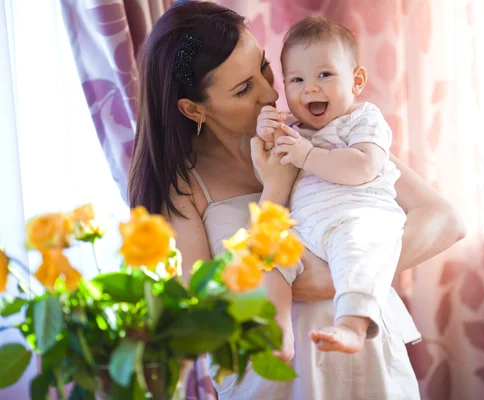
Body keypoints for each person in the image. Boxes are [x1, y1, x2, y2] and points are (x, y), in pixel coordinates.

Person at [128, 2, 465, 399]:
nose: (273, 92)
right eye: (243, 88)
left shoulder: (319, 131)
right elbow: (209, 318)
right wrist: (276, 188)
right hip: (274, 383)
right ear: (193, 108)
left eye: (264, 67)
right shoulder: (182, 189)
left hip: (368, 366)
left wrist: (340, 272)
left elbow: (444, 221)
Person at [256, 16, 412, 358]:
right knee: (271, 255)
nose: (310, 88)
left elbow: (363, 166)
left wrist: (308, 154)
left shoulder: (362, 119)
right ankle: (278, 330)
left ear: (356, 81)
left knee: (358, 253)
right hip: (307, 227)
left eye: (324, 74)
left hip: (357, 215)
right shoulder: (295, 131)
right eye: (297, 79)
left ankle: (352, 327)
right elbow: (271, 173)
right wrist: (268, 135)